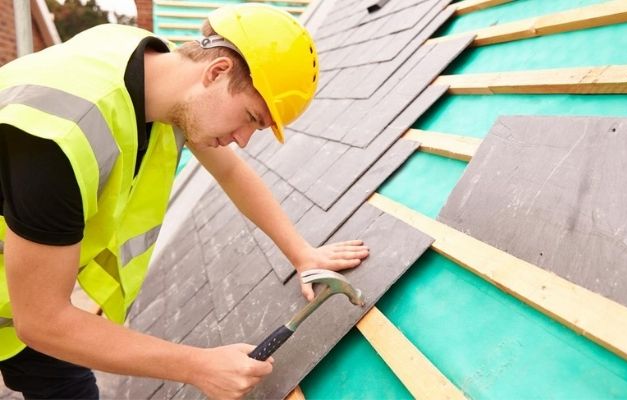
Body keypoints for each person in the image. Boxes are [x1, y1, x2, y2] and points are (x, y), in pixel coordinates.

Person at [0, 4, 369, 399]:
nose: (243, 139)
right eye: (249, 117)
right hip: (33, 312)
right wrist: (198, 366)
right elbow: (42, 321)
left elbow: (230, 172)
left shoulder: (160, 73)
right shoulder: (57, 138)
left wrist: (302, 254)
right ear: (217, 70)